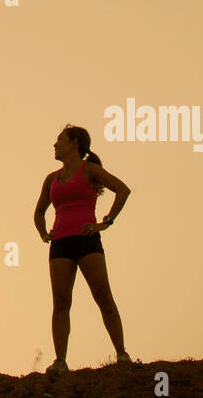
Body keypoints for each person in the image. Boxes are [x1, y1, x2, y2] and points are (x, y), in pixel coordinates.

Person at [33, 124, 132, 372]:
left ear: (74, 143)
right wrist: (44, 233)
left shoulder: (90, 170)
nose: (55, 144)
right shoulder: (51, 178)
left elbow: (123, 190)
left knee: (103, 295)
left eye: (59, 140)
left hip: (87, 240)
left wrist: (105, 222)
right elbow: (38, 212)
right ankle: (60, 361)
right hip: (60, 245)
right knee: (60, 300)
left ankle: (121, 354)